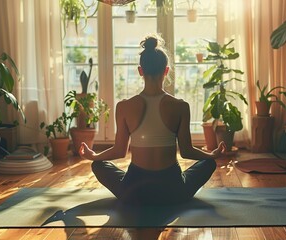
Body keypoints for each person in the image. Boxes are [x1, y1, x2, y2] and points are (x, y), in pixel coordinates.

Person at [79, 34, 226, 205]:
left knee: (98, 165)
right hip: (174, 190)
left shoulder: (124, 106)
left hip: (133, 191)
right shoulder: (180, 106)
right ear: (166, 71)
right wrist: (211, 154)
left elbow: (119, 151)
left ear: (140, 71)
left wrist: (94, 155)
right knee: (208, 164)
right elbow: (186, 151)